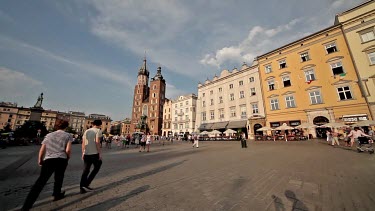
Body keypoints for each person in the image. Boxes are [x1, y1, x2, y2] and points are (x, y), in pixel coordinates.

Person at [22, 121, 72, 210]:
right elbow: (68, 150)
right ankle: (57, 194)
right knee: (59, 177)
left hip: (49, 160)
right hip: (61, 159)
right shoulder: (68, 135)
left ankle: (27, 206)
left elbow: (42, 149)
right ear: (66, 127)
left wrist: (40, 160)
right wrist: (67, 158)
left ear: (56, 126)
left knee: (40, 182)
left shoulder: (49, 135)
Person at [80, 120, 103, 194]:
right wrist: (99, 153)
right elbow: (97, 142)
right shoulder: (98, 131)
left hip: (86, 153)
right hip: (94, 153)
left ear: (93, 124)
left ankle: (82, 187)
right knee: (97, 167)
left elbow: (83, 143)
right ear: (100, 125)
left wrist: (83, 152)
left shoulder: (87, 131)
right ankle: (86, 184)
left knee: (86, 170)